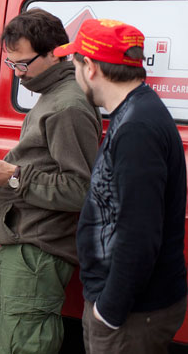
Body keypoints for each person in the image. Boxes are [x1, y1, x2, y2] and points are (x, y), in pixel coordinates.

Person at [0, 8, 102, 353]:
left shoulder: (68, 106)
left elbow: (82, 190)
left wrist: (14, 177)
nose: (16, 74)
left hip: (39, 250)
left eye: (22, 65)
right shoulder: (51, 96)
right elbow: (33, 169)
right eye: (10, 65)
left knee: (21, 346)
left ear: (54, 53)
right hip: (20, 242)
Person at [54, 19, 187, 353]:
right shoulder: (135, 112)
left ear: (92, 68)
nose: (74, 70)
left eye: (75, 62)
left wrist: (108, 312)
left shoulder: (136, 128)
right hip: (130, 308)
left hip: (129, 315)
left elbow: (139, 235)